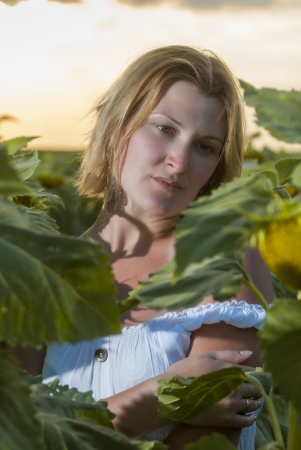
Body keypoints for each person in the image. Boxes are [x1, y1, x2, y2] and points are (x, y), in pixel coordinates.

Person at [25, 46, 274, 449]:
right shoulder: (41, 273)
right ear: (119, 123)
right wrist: (161, 397)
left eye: (205, 146)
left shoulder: (227, 263)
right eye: (165, 129)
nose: (179, 161)